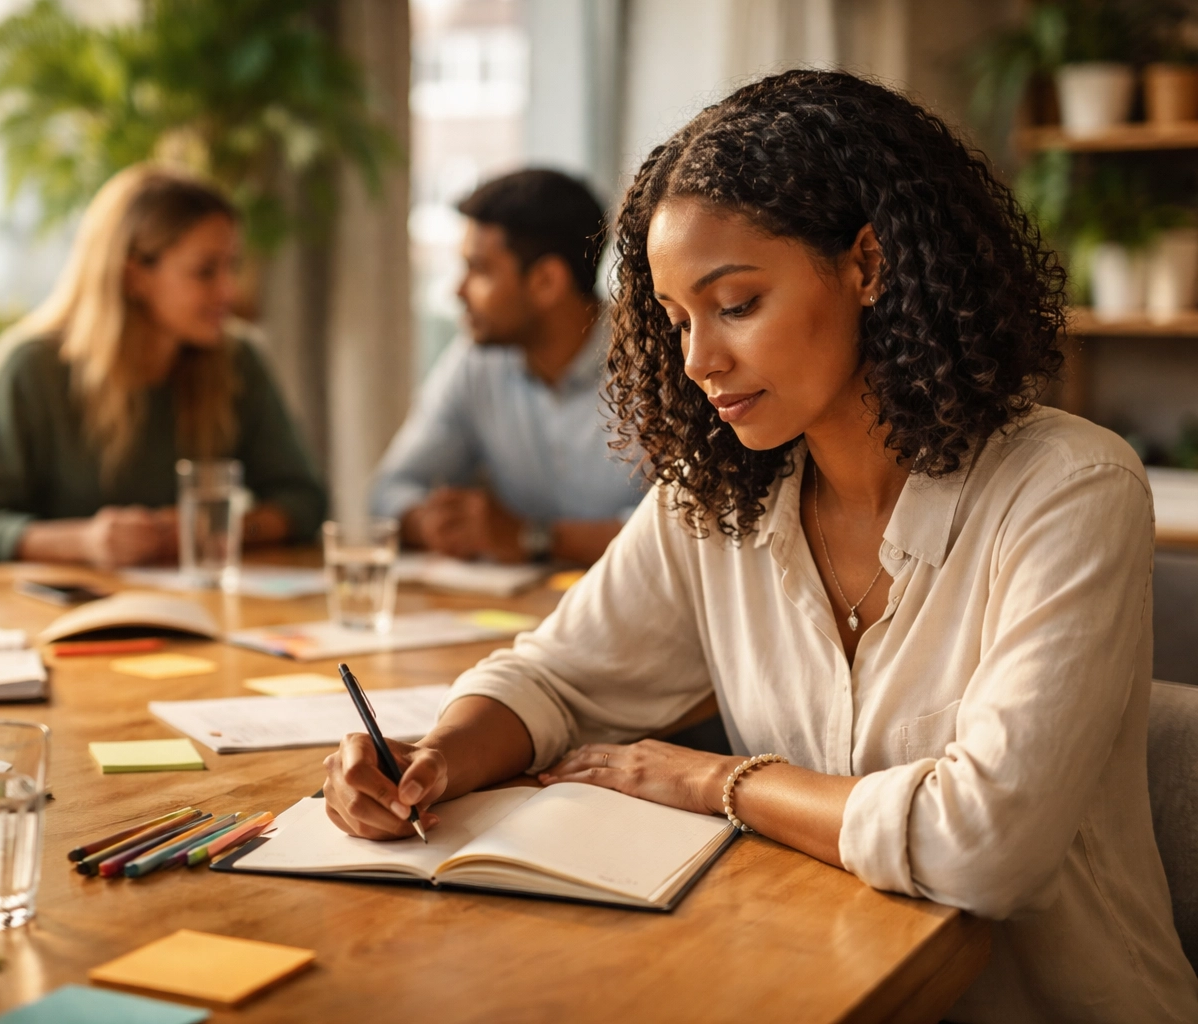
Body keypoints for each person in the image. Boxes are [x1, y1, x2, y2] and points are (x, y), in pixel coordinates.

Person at [324, 71, 1198, 1022]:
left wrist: (716, 781)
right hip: (812, 989)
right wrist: (438, 757)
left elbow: (979, 846)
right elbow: (558, 678)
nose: (698, 361)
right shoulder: (723, 495)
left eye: (735, 304)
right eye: (677, 319)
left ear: (869, 264)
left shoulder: (1070, 489)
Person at [0, 164, 327, 594]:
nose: (229, 291)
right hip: (15, 623)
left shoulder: (236, 360)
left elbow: (304, 502)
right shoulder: (30, 367)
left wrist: (214, 527)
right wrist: (86, 542)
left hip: (163, 613)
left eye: (232, 266)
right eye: (206, 271)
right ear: (134, 274)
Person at [370, 169, 644, 566]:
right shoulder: (476, 360)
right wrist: (433, 523)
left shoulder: (661, 366)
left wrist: (537, 538)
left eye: (479, 270)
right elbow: (388, 490)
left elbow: (690, 532)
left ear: (547, 281)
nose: (457, 290)